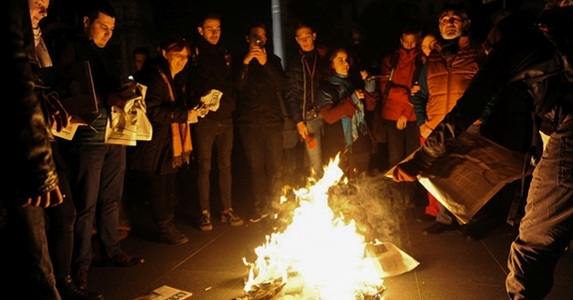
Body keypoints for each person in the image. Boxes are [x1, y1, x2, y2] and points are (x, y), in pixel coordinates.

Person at [393, 1, 573, 297]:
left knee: (531, 248)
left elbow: (467, 107)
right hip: (559, 129)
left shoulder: (511, 45)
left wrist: (422, 158)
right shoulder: (545, 41)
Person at [52, 0, 144, 290]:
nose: (108, 33)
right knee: (85, 203)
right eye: (103, 27)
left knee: (111, 198)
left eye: (112, 29)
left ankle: (111, 250)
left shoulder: (108, 54)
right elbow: (68, 88)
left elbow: (112, 83)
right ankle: (80, 266)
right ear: (85, 22)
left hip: (114, 136)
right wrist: (107, 97)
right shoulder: (71, 47)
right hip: (88, 140)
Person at [29, 0, 104, 299]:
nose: (44, 11)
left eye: (47, 4)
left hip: (48, 139)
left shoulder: (39, 42)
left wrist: (73, 109)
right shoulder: (21, 44)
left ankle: (63, 282)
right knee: (42, 225)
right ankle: (56, 287)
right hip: (30, 144)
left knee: (63, 214)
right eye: (36, 3)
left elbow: (47, 85)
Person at [0, 0, 63, 298]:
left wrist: (41, 96)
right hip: (13, 154)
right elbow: (14, 70)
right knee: (33, 261)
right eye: (37, 2)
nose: (44, 11)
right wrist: (40, 166)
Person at [410, 6, 484, 236]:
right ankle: (444, 218)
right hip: (435, 127)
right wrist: (422, 121)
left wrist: (482, 117)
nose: (449, 23)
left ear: (467, 23)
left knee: (468, 178)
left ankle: (470, 222)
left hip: (468, 126)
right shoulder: (432, 59)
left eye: (455, 19)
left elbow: (493, 89)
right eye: (444, 20)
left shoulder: (478, 54)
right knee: (439, 175)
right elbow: (420, 94)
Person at [130, 36, 201, 245]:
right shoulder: (155, 74)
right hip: (156, 140)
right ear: (164, 53)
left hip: (167, 141)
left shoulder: (174, 76)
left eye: (185, 56)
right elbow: (151, 110)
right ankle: (164, 227)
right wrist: (183, 115)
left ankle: (168, 224)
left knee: (168, 184)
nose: (182, 60)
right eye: (177, 55)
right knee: (159, 185)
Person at [190, 13, 243, 231]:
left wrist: (229, 105)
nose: (214, 32)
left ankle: (226, 209)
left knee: (225, 165)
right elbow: (188, 85)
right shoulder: (194, 55)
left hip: (226, 118)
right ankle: (204, 212)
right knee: (204, 166)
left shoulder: (226, 54)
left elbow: (232, 83)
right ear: (200, 30)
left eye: (218, 28)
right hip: (205, 120)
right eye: (210, 28)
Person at [234, 22, 287, 222]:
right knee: (256, 168)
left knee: (275, 168)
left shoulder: (273, 60)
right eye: (255, 35)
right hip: (249, 124)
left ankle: (275, 207)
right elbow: (237, 86)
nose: (259, 39)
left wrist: (266, 63)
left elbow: (281, 84)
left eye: (263, 36)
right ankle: (260, 206)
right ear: (247, 38)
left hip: (272, 122)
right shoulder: (240, 60)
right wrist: (246, 63)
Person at [378, 26, 423, 207]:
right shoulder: (391, 60)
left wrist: (405, 112)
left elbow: (419, 92)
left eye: (413, 41)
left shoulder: (421, 60)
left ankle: (409, 197)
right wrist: (408, 97)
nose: (409, 45)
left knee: (412, 158)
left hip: (412, 118)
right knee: (395, 158)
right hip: (391, 116)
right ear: (401, 40)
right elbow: (385, 88)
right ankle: (397, 197)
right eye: (406, 41)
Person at [317, 48, 377, 177]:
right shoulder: (326, 89)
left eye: (347, 60)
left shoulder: (354, 84)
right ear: (331, 64)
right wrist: (352, 100)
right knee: (340, 190)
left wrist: (369, 86)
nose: (346, 64)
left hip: (360, 144)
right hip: (337, 145)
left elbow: (369, 108)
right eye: (341, 60)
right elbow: (330, 117)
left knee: (362, 185)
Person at [284, 23, 328, 179]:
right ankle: (319, 198)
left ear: (314, 36)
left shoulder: (323, 58)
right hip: (308, 118)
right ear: (296, 40)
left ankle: (336, 197)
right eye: (300, 38)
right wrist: (298, 121)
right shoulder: (295, 63)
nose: (304, 41)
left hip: (328, 115)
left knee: (331, 157)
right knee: (315, 163)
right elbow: (290, 94)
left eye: (307, 36)